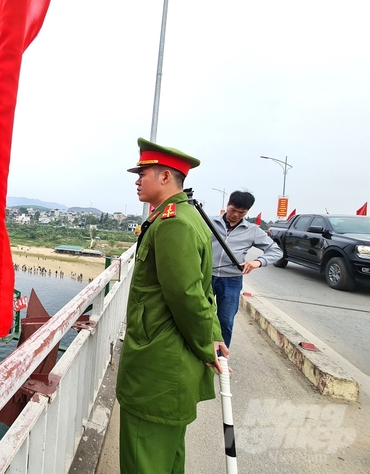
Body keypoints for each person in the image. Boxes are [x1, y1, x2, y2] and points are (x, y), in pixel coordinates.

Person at [116, 138, 228, 473]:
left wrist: (209, 347)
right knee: (168, 457)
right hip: (169, 362)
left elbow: (188, 295)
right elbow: (200, 291)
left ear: (165, 177)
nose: (137, 180)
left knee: (145, 459)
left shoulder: (173, 223)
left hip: (158, 365)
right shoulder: (183, 215)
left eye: (143, 172)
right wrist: (214, 337)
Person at [209, 191, 283, 347]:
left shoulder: (252, 230)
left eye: (241, 212)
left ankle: (221, 357)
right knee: (200, 317)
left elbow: (276, 250)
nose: (235, 215)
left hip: (231, 280)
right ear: (227, 205)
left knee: (226, 320)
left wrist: (259, 262)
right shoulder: (208, 222)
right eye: (233, 210)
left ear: (247, 211)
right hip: (206, 276)